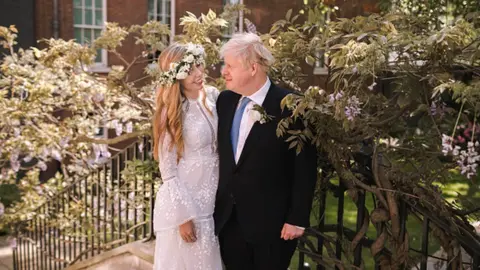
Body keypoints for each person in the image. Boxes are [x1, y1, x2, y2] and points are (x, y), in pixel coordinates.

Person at [214, 33, 318, 269]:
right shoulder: (225, 101)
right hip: (229, 222)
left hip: (274, 227)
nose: (224, 71)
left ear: (253, 68)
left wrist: (297, 219)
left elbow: (305, 168)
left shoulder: (292, 107)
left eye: (230, 66)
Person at [152, 42, 222, 270]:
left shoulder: (214, 96)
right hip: (186, 203)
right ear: (177, 76)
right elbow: (168, 170)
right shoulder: (171, 111)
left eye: (199, 66)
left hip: (212, 197)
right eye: (190, 70)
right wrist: (182, 217)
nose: (199, 73)